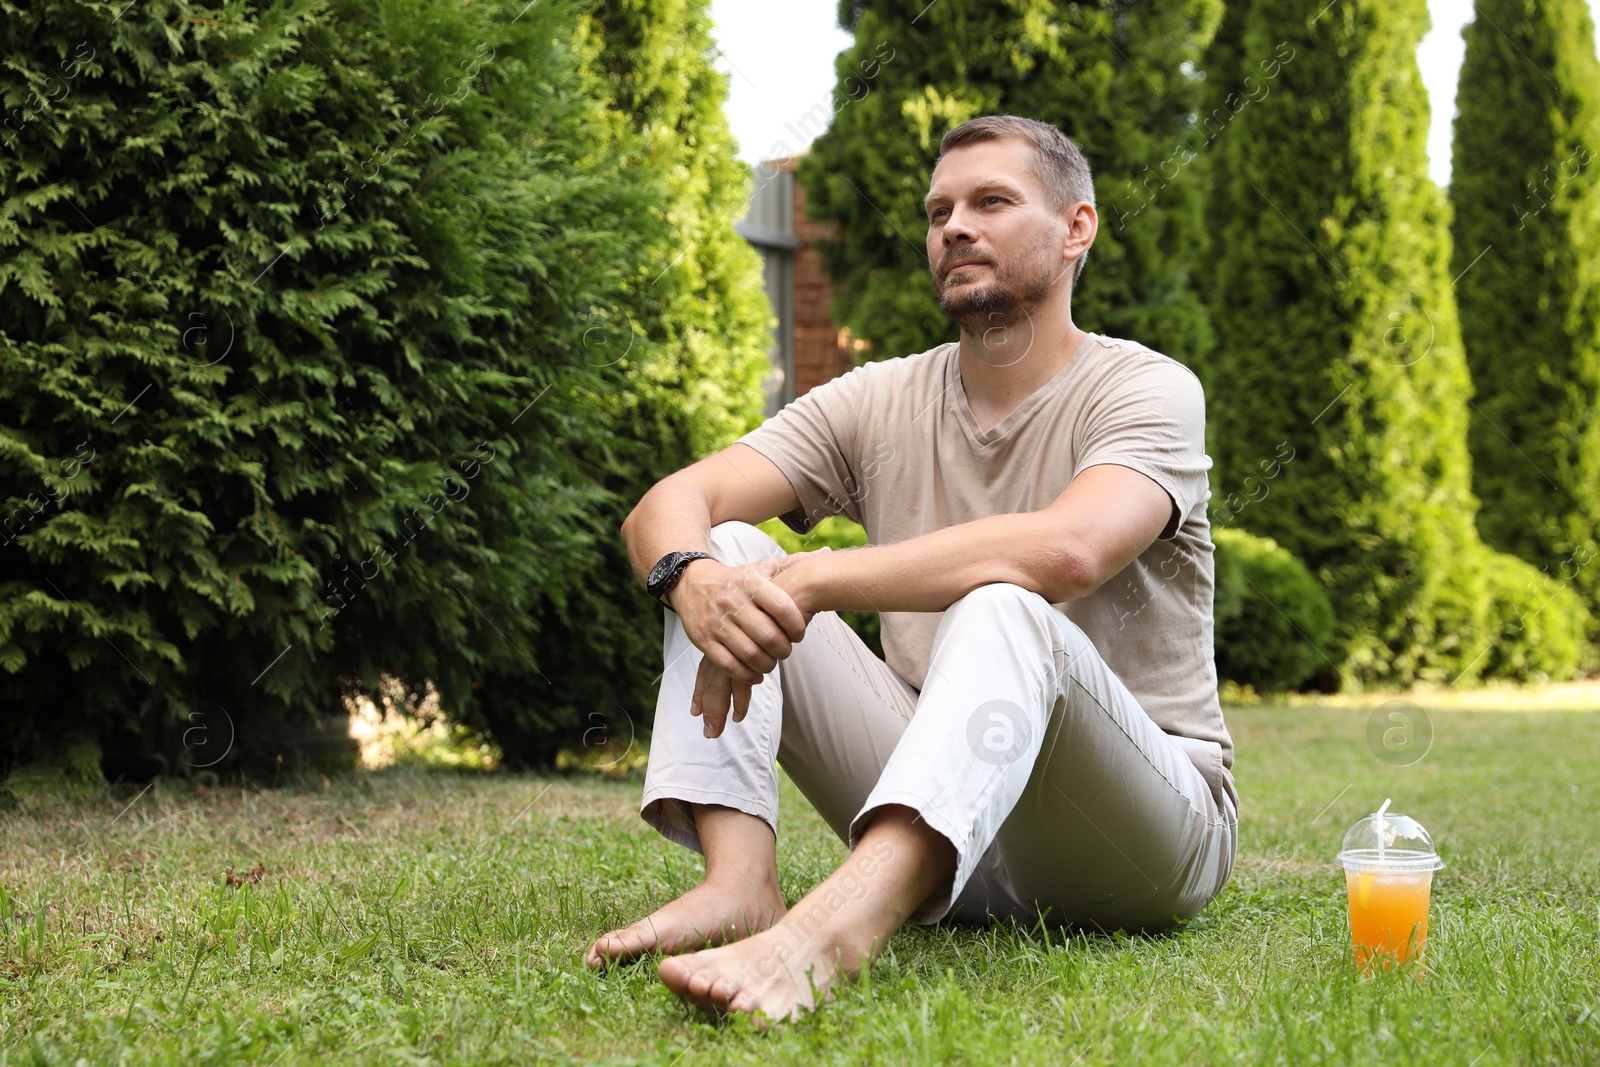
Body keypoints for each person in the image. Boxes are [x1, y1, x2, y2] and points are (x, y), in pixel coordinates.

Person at [587, 114, 1238, 1024]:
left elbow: (1065, 550)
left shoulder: (1147, 388)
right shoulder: (880, 396)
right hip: (954, 823)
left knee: (1004, 603)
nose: (954, 228)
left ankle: (835, 933)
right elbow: (669, 503)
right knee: (728, 550)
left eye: (991, 202)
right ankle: (739, 883)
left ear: (1076, 227)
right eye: (939, 211)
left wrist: (817, 579)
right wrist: (689, 577)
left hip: (1136, 838)